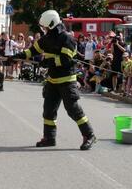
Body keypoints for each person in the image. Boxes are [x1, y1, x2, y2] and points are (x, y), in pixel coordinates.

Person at [11, 10, 96, 150]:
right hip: (53, 80)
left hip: (67, 80)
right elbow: (32, 51)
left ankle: (89, 135)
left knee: (73, 109)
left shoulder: (67, 38)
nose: (43, 29)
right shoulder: (46, 38)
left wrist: (47, 62)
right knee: (48, 110)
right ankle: (49, 138)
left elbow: (65, 59)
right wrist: (15, 57)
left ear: (52, 24)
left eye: (45, 27)